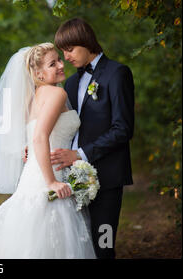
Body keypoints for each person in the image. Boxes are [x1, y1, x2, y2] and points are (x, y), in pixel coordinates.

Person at [0, 43, 96, 259]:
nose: (61, 65)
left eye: (59, 59)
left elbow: (34, 136)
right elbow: (39, 137)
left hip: (32, 176)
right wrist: (51, 183)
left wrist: (29, 149)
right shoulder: (56, 94)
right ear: (38, 73)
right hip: (48, 177)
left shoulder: (33, 97)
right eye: (53, 63)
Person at [49, 18, 135, 259]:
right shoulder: (71, 81)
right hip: (70, 178)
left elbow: (123, 129)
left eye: (70, 49)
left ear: (86, 42)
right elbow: (63, 127)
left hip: (106, 177)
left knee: (103, 246)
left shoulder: (118, 73)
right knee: (76, 246)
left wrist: (80, 154)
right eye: (63, 51)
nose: (66, 57)